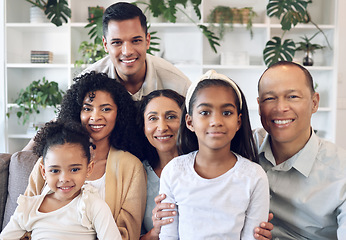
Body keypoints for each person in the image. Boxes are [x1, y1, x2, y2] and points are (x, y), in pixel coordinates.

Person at [25, 71, 147, 240]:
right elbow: (24, 218)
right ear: (77, 112)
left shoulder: (131, 167)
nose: (95, 117)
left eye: (106, 109)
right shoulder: (50, 158)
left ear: (119, 114)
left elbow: (127, 233)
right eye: (87, 109)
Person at [159, 70, 270, 239]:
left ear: (238, 121)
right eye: (205, 112)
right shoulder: (174, 171)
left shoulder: (254, 176)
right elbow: (168, 236)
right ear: (189, 121)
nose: (216, 121)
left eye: (226, 113)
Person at [255, 61, 346, 239]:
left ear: (314, 102)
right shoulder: (242, 147)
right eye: (269, 98)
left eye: (293, 97)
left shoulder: (341, 171)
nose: (281, 108)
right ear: (259, 107)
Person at [0, 120, 122, 240]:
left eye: (74, 170)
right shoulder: (28, 207)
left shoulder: (93, 206)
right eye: (55, 171)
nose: (64, 179)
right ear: (44, 172)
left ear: (89, 169)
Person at [82, 2, 191, 101]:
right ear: (105, 45)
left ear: (147, 41)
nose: (127, 52)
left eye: (136, 41)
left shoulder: (179, 85)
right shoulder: (86, 83)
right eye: (117, 42)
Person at [137, 89, 184, 239]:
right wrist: (155, 232)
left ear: (187, 121)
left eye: (171, 117)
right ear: (144, 127)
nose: (162, 127)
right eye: (152, 118)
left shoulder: (202, 166)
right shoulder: (138, 173)